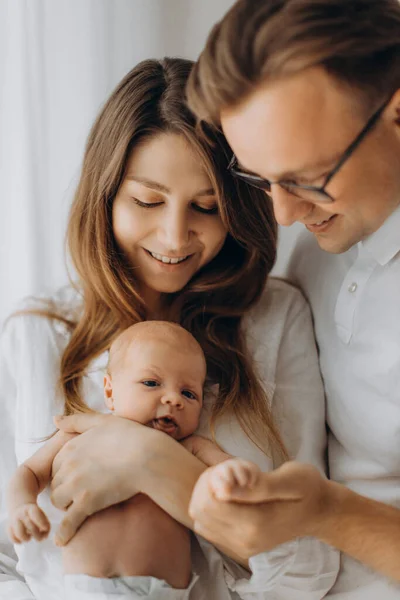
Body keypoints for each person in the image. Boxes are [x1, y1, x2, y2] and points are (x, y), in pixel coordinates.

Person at [0, 57, 339, 599]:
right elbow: (4, 561)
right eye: (148, 201)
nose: (176, 236)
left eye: (206, 207)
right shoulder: (36, 335)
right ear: (105, 195)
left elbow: (309, 566)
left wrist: (154, 465)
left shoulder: (273, 321)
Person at [183, 0, 400, 598]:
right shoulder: (320, 246)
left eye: (307, 178)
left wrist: (328, 515)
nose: (283, 215)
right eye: (260, 178)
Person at [7, 320, 263, 599]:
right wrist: (22, 505)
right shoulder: (81, 433)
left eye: (188, 393)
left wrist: (233, 475)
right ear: (109, 391)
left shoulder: (189, 448)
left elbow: (233, 470)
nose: (173, 399)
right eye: (152, 383)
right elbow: (29, 472)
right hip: (86, 590)